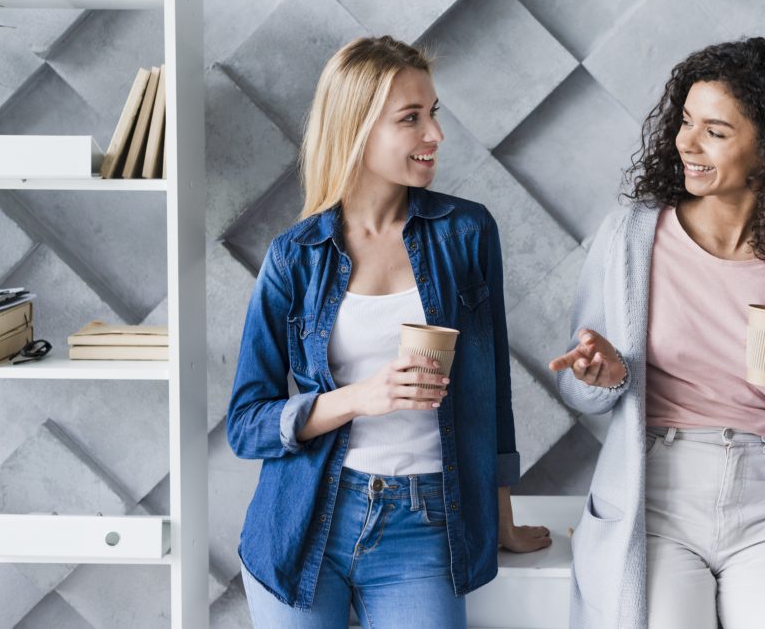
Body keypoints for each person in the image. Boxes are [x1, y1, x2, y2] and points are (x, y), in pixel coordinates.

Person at [226, 36, 550, 629]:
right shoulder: (295, 257)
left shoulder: (466, 234)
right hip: (303, 523)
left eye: (433, 115)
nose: (435, 135)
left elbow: (490, 393)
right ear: (356, 129)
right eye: (411, 119)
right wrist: (359, 398)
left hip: (424, 523)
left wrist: (500, 520)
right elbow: (246, 425)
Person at [549, 37, 765, 629]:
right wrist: (603, 377)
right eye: (686, 121)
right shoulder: (630, 238)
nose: (686, 143)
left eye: (715, 131)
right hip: (654, 502)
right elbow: (579, 390)